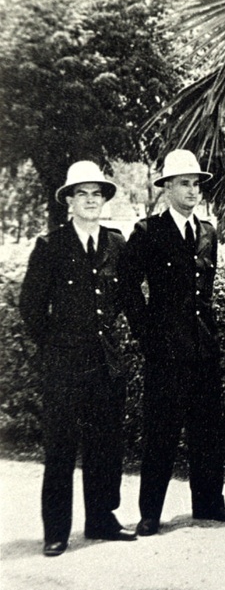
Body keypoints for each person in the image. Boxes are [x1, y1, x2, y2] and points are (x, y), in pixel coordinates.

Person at [19, 161, 137, 556]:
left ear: (104, 200)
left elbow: (128, 299)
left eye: (97, 194)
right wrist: (56, 347)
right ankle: (56, 531)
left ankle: (102, 520)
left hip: (105, 363)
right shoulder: (51, 246)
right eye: (82, 194)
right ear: (69, 200)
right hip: (65, 366)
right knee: (61, 449)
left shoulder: (117, 244)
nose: (90, 201)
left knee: (106, 444)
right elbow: (31, 308)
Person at [120, 149, 225, 536]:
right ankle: (151, 512)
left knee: (208, 430)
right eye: (184, 183)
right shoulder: (147, 232)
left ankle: (209, 503)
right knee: (161, 432)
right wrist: (147, 335)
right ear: (167, 188)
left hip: (203, 347)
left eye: (196, 184)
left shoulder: (208, 232)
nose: (193, 191)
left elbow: (203, 292)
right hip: (165, 350)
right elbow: (128, 288)